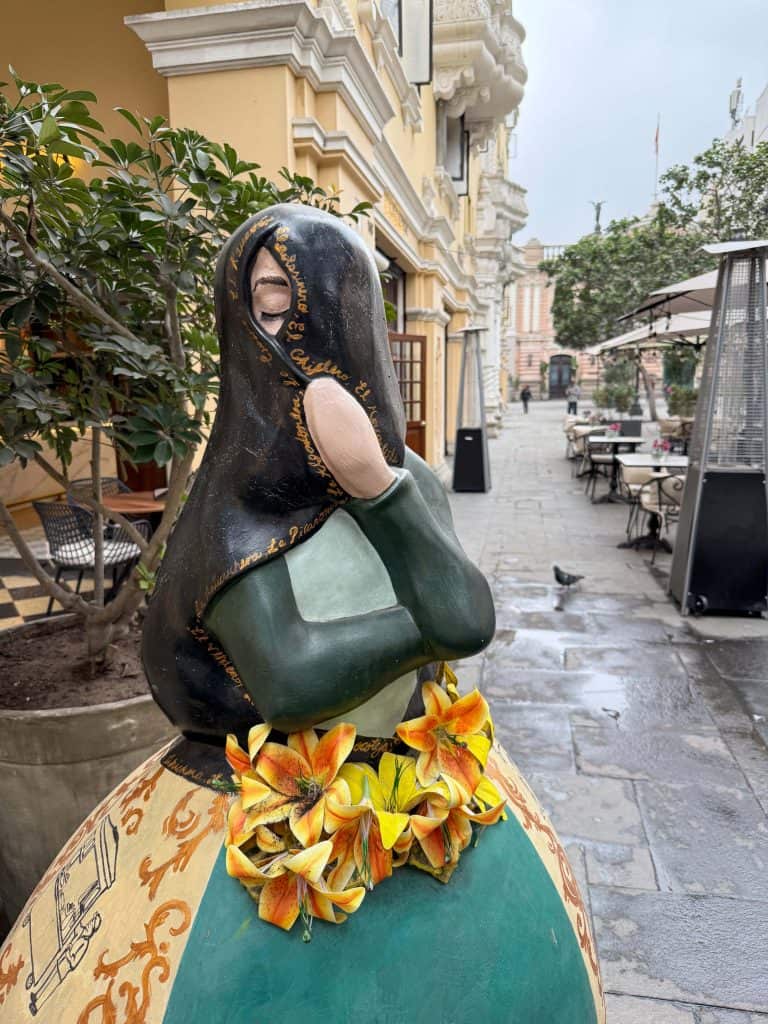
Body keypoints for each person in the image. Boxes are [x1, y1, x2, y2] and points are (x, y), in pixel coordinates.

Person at [0, 206, 604, 1024]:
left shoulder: (408, 482)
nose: (285, 336)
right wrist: (420, 628)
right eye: (263, 305)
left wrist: (375, 488)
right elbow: (290, 680)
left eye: (296, 301)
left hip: (426, 785)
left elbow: (469, 618)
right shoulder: (238, 515)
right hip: (258, 809)